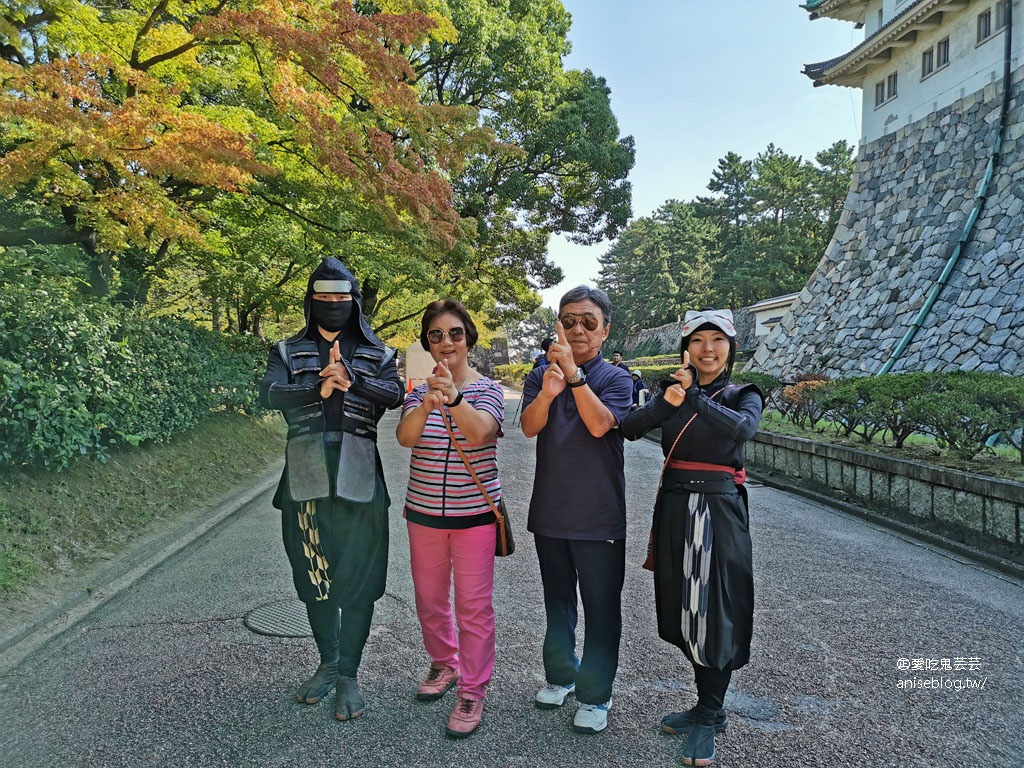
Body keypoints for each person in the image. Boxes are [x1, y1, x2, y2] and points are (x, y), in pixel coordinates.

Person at [258, 257, 404, 722]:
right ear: (310, 301)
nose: (333, 306)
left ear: (355, 303)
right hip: (304, 480)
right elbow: (268, 395)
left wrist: (353, 379)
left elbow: (396, 394)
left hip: (361, 478)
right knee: (314, 579)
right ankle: (328, 661)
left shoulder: (379, 353)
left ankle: (349, 674)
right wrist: (317, 390)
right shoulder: (286, 351)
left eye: (342, 299)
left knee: (359, 583)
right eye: (324, 299)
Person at [620, 308, 764, 766]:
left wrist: (695, 399)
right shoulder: (674, 392)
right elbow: (631, 428)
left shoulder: (745, 393)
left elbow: (743, 430)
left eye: (717, 340)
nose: (707, 348)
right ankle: (708, 706)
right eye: (698, 340)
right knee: (684, 609)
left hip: (718, 510)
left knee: (715, 608)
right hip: (676, 508)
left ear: (730, 348)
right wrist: (671, 398)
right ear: (686, 348)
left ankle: (709, 715)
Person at [520, 286, 633, 735]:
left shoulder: (616, 379)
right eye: (568, 320)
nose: (577, 329)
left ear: (605, 330)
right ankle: (561, 675)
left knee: (602, 608)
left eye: (588, 321)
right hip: (551, 510)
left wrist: (575, 376)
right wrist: (549, 390)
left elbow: (601, 423)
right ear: (558, 326)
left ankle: (595, 695)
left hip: (600, 514)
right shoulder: (539, 375)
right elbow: (529, 427)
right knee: (558, 602)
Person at [396, 299, 505, 738]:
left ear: (469, 338)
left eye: (455, 333)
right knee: (429, 601)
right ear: (426, 342)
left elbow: (481, 433)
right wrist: (426, 402)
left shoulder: (489, 390)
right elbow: (406, 439)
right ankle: (444, 663)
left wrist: (454, 398)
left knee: (474, 608)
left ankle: (473, 689)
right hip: (422, 515)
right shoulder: (416, 393)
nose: (445, 342)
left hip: (474, 517)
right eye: (435, 335)